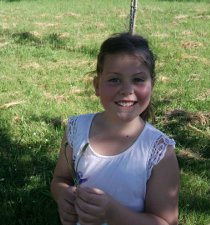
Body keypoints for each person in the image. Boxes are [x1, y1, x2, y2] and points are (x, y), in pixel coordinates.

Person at [50, 32, 180, 225]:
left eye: (138, 80)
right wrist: (63, 195)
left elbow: (166, 222)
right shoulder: (77, 129)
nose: (127, 90)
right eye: (114, 80)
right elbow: (60, 178)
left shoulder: (158, 151)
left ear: (152, 85)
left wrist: (111, 213)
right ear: (97, 85)